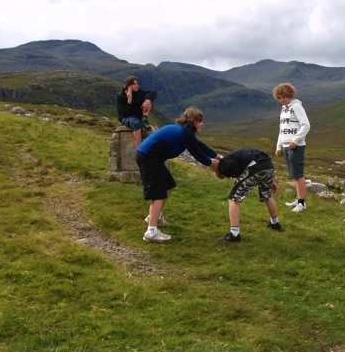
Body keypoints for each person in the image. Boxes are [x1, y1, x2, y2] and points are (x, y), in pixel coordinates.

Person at [136, 107, 221, 243]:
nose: (202, 124)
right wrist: (213, 165)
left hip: (153, 158)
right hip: (148, 157)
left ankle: (155, 217)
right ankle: (151, 232)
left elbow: (200, 146)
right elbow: (197, 153)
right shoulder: (184, 132)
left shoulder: (184, 131)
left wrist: (219, 157)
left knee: (167, 186)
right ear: (192, 121)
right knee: (158, 193)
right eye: (199, 121)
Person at [216, 148, 282, 242]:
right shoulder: (234, 156)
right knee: (267, 195)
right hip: (268, 165)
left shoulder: (224, 163)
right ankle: (275, 223)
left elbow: (237, 171)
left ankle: (234, 234)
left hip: (255, 166)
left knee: (233, 198)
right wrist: (273, 180)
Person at [273, 83, 310, 213]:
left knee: (298, 175)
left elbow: (306, 125)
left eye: (284, 97)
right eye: (280, 97)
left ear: (290, 95)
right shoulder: (284, 109)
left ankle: (301, 204)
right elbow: (282, 129)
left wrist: (295, 140)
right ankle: (299, 198)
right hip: (286, 146)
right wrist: (279, 146)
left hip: (296, 146)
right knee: (294, 174)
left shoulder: (296, 107)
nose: (282, 100)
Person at [116, 75, 157, 148]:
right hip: (126, 117)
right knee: (136, 124)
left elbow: (153, 92)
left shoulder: (139, 92)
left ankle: (144, 118)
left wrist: (148, 100)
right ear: (128, 85)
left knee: (148, 98)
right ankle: (139, 149)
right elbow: (125, 113)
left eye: (137, 83)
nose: (137, 85)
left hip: (138, 115)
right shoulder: (121, 97)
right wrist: (129, 100)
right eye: (134, 84)